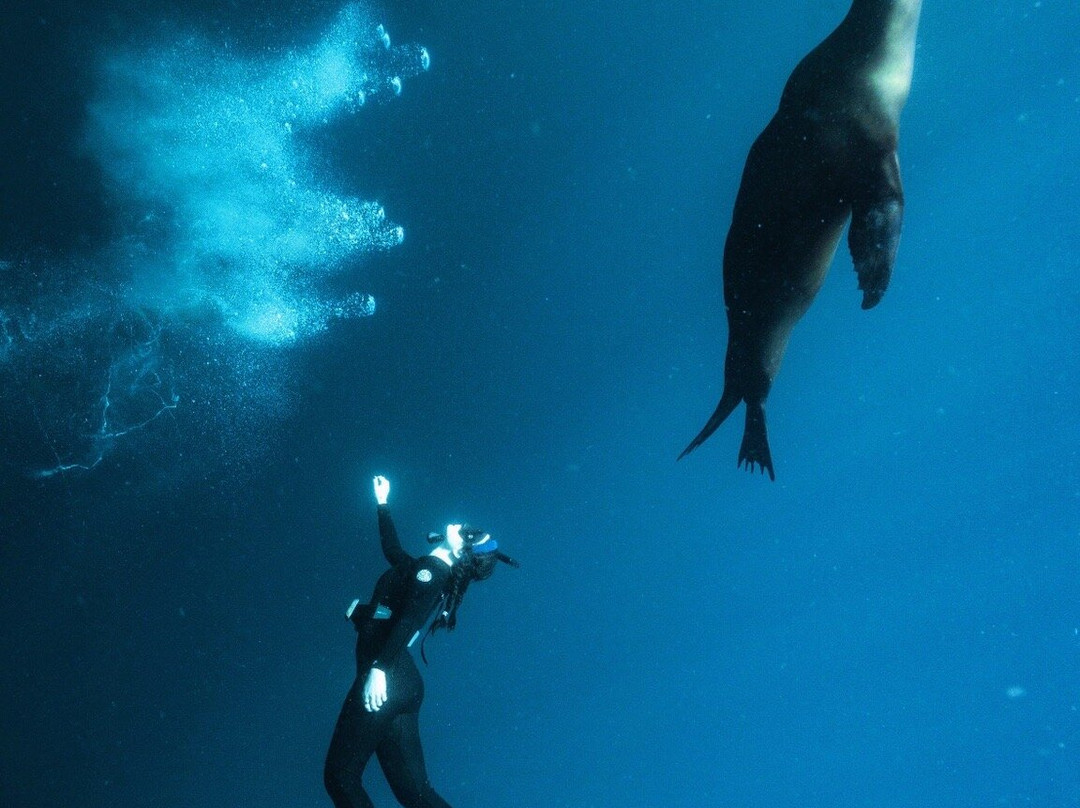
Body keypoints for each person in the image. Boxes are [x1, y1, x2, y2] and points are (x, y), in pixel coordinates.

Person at [324, 475, 518, 808]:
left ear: (460, 549)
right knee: (415, 794)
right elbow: (393, 551)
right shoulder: (424, 568)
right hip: (403, 682)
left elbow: (410, 620)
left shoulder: (433, 573)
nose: (461, 524)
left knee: (340, 777)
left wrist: (379, 669)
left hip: (388, 677)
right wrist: (382, 503)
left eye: (468, 532)